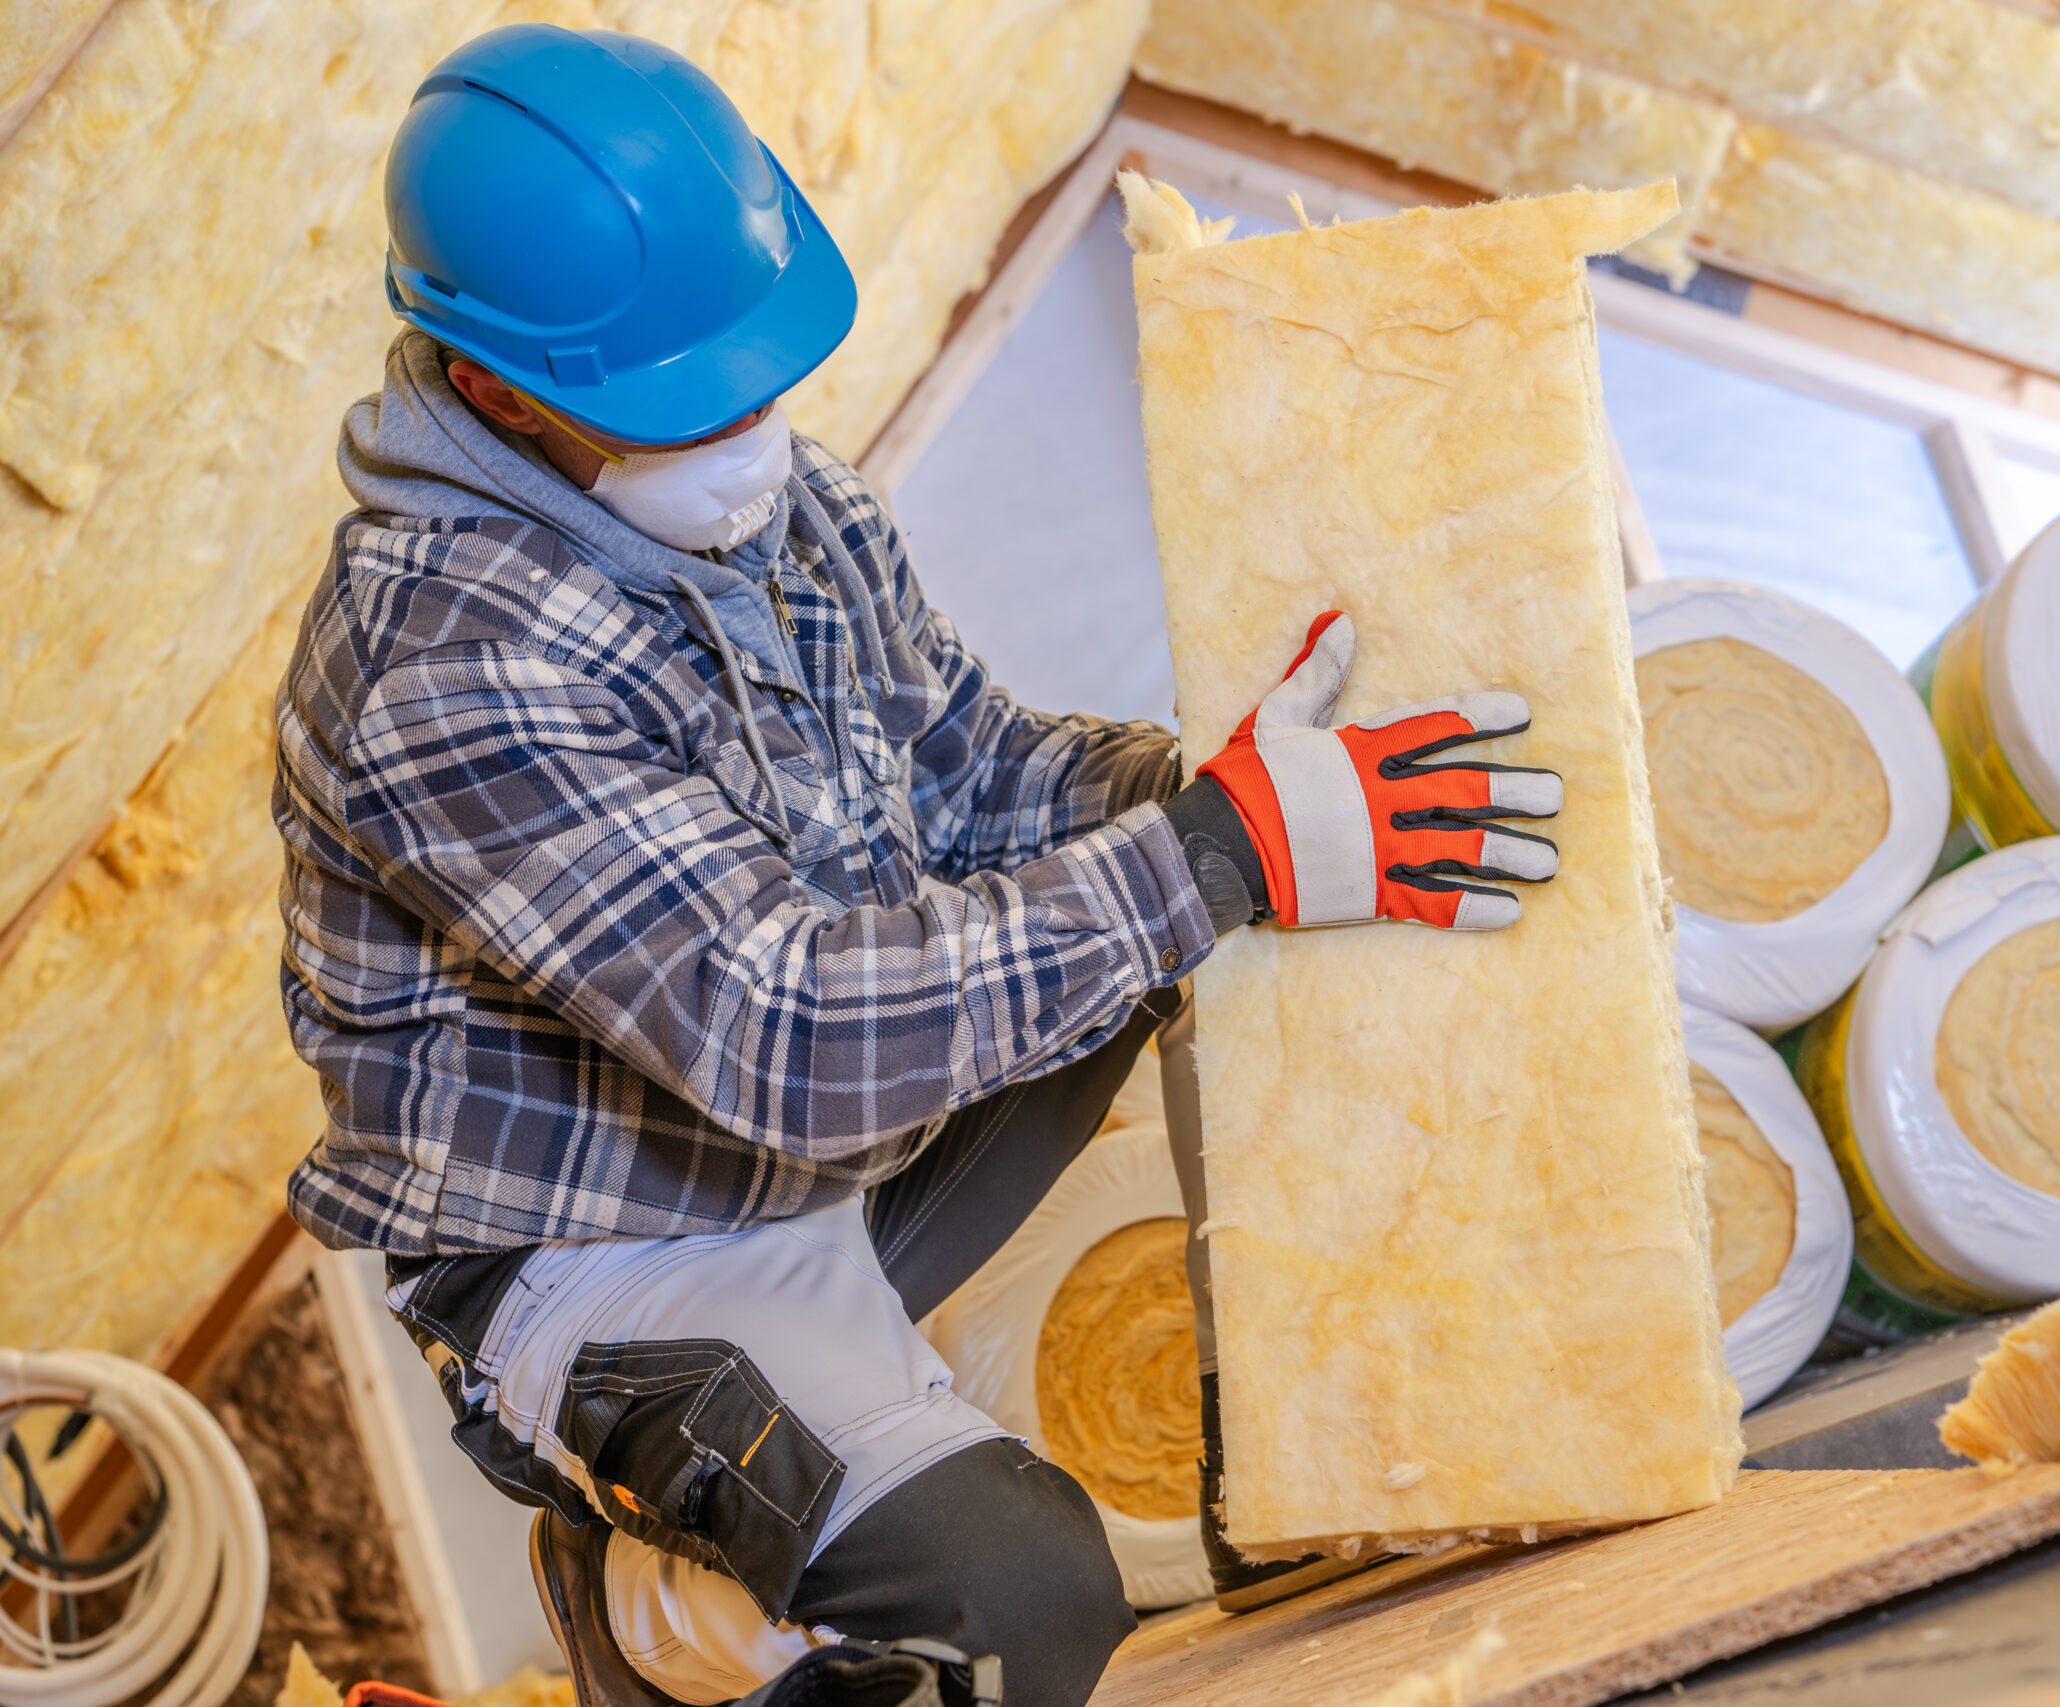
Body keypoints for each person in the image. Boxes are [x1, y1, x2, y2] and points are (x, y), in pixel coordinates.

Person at [272, 23, 1564, 1707]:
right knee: (1017, 1603)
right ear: (499, 384)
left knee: (1210, 915)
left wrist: (1220, 790)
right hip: (611, 1250)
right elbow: (789, 1040)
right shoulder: (442, 662)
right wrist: (1225, 847)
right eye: (694, 398)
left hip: (828, 1140)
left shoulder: (773, 507)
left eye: (761, 376)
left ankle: (1297, 1479)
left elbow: (980, 778)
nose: (758, 427)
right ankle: (651, 1612)